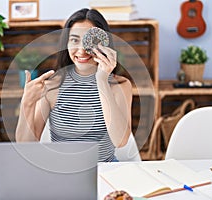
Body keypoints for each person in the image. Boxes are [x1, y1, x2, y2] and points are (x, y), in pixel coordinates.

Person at [15, 8, 132, 162]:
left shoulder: (120, 86)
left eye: (90, 41)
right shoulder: (52, 86)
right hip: (64, 171)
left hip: (105, 170)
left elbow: (120, 141)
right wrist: (27, 103)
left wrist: (102, 80)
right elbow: (26, 145)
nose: (82, 50)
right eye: (75, 40)